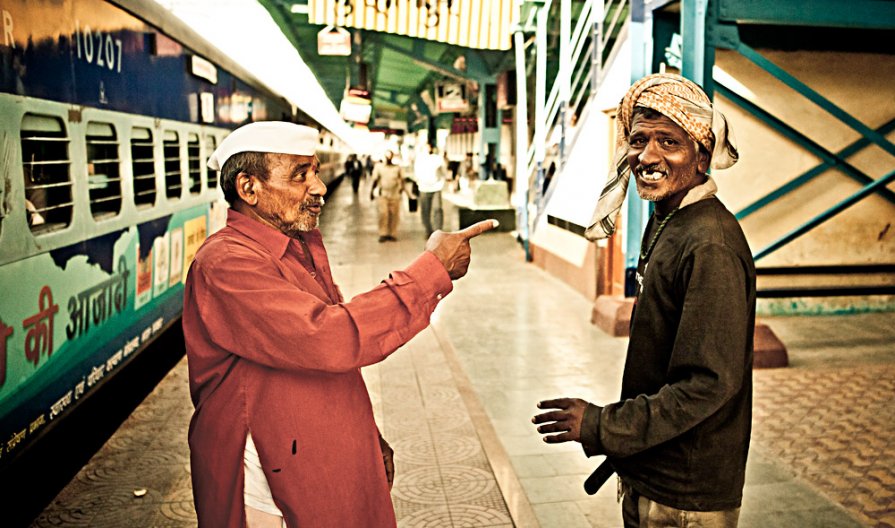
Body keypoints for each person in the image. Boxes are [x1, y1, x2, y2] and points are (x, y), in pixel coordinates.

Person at [183, 121, 497, 528]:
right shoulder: (225, 263)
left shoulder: (298, 248)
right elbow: (329, 337)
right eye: (301, 175)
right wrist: (431, 271)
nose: (319, 187)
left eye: (315, 171)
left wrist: (367, 436)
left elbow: (333, 364)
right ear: (249, 188)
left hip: (314, 450)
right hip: (266, 475)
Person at [532, 73, 752, 528]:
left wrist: (601, 426)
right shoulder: (669, 220)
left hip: (684, 494)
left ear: (702, 156)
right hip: (653, 470)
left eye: (669, 142)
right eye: (638, 140)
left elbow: (708, 383)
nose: (648, 157)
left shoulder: (709, 243)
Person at [370, 150, 409, 242]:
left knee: (394, 214)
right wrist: (371, 191)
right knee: (383, 213)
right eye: (387, 156)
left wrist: (403, 190)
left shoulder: (397, 168)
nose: (388, 158)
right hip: (383, 194)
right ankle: (383, 233)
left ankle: (392, 233)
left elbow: (402, 179)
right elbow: (375, 180)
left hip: (395, 194)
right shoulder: (379, 167)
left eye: (390, 156)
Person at [414, 145, 446, 237]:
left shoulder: (437, 158)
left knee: (437, 208)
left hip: (436, 187)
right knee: (425, 211)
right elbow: (416, 173)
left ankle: (438, 231)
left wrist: (443, 180)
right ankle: (428, 230)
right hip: (423, 188)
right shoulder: (419, 159)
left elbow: (443, 169)